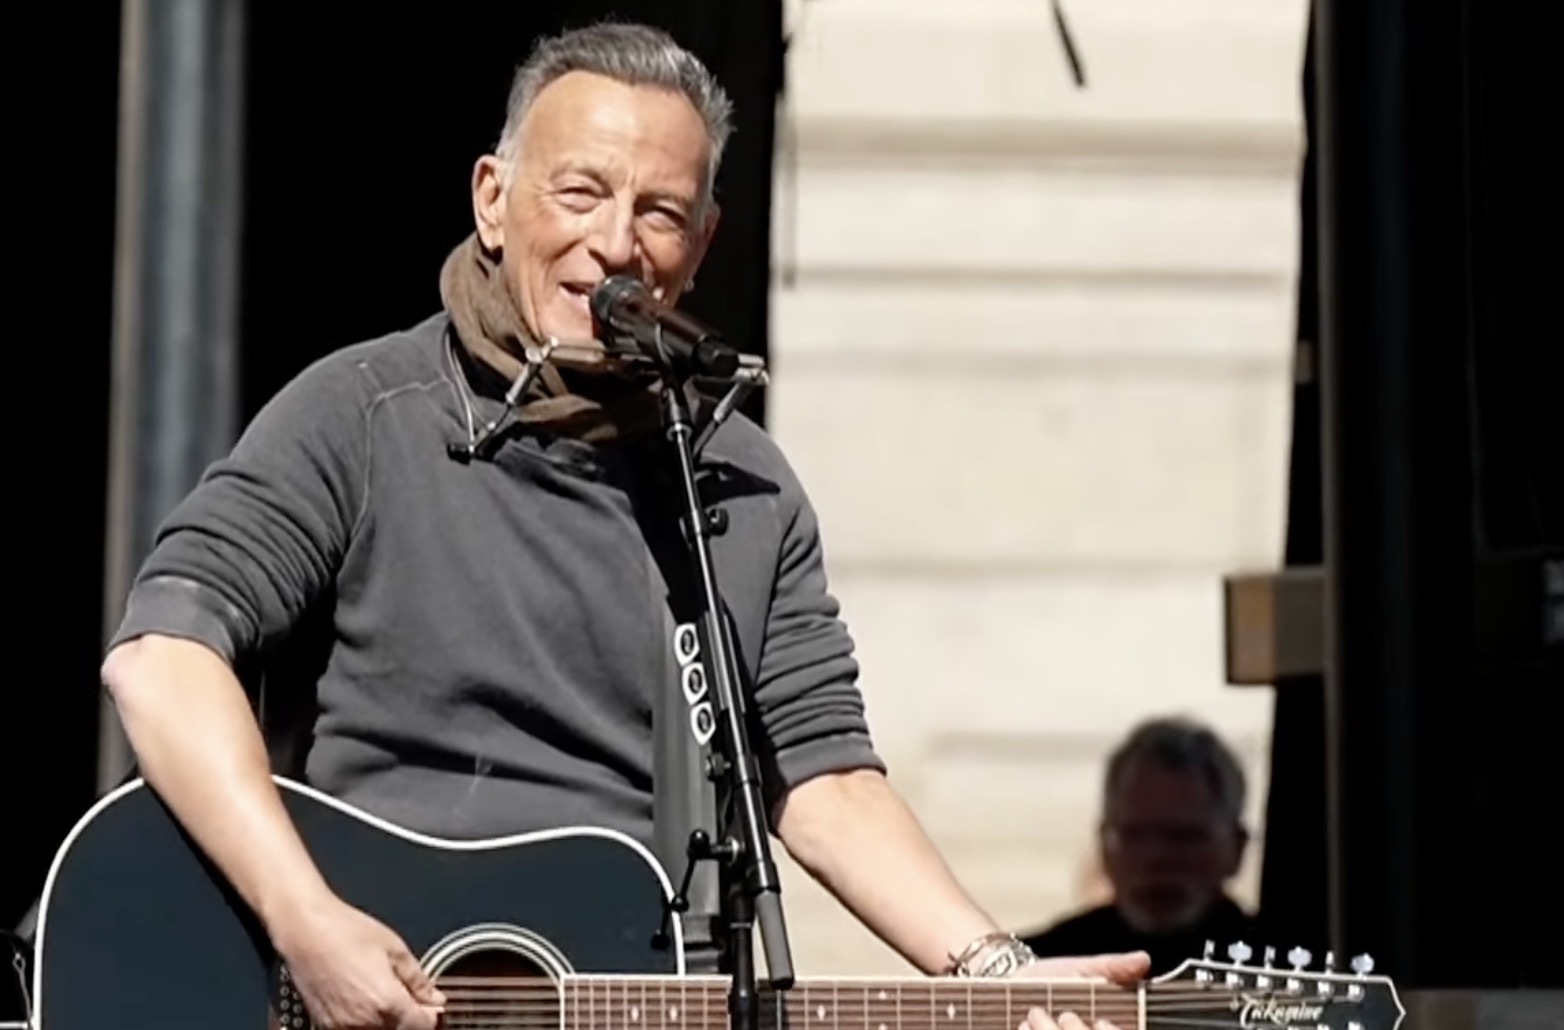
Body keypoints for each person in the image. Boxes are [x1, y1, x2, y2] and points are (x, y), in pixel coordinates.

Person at [100, 20, 1149, 1030]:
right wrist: (306, 917)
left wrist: (1001, 974)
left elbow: (823, 780)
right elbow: (161, 659)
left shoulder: (737, 482)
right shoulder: (364, 413)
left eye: (658, 211)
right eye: (581, 192)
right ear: (494, 199)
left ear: (700, 245)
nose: (614, 244)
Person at [1019, 717, 1264, 975]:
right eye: (1134, 835)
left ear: (1237, 848)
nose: (1156, 857)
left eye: (1183, 837)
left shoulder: (1286, 969)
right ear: (1104, 844)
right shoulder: (1042, 969)